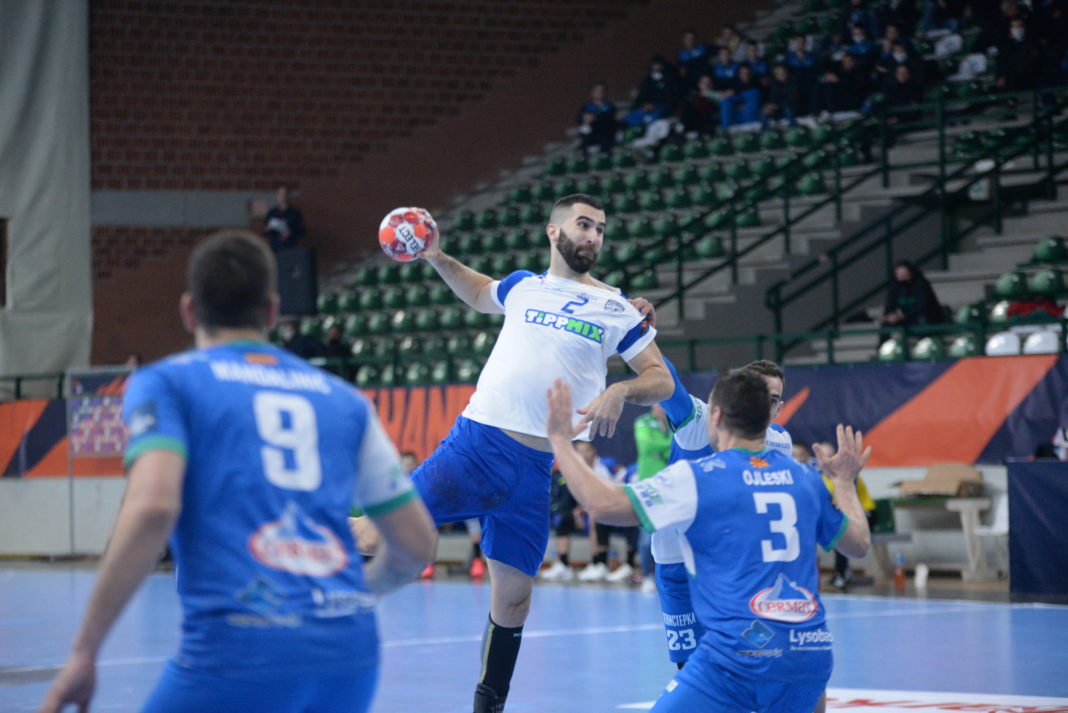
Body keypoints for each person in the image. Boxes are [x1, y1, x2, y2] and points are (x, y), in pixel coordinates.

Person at [38, 230, 436, 713]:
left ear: (189, 310)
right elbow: (417, 545)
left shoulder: (168, 383)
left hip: (240, 645)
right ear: (272, 311)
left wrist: (85, 650)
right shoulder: (345, 400)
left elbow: (153, 508)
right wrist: (357, 597)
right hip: (349, 655)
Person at [352, 193, 673, 713]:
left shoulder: (617, 307)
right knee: (372, 536)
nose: (593, 235)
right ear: (554, 231)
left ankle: (489, 705)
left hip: (535, 469)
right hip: (477, 448)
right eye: (584, 224)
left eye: (600, 228)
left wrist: (621, 390)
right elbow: (480, 292)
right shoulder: (525, 286)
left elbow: (660, 378)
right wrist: (436, 256)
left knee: (514, 601)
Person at [545, 372, 872, 713]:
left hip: (738, 656)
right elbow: (859, 544)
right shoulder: (805, 478)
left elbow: (603, 505)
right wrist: (844, 483)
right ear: (768, 418)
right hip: (809, 651)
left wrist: (559, 442)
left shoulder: (699, 477)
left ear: (716, 417)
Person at [652, 357, 794, 670]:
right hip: (679, 562)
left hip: (736, 566)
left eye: (771, 399)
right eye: (754, 394)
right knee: (691, 667)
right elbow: (667, 382)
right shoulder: (699, 422)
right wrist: (639, 337)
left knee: (750, 663)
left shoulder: (780, 442)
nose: (761, 406)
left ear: (779, 408)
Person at [795, 442, 878, 590]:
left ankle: (842, 575)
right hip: (835, 512)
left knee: (839, 532)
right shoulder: (816, 477)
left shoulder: (845, 475)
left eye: (830, 455)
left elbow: (846, 504)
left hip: (866, 512)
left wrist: (843, 482)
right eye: (822, 456)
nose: (826, 459)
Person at [575, 441, 640, 583]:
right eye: (579, 451)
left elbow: (625, 477)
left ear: (593, 451)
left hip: (624, 501)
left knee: (630, 521)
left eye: (586, 450)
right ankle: (600, 564)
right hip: (606, 507)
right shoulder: (580, 470)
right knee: (595, 519)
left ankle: (629, 565)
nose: (583, 454)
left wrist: (616, 498)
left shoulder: (607, 464)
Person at [880, 260, 946, 337]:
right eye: (899, 273)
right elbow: (890, 305)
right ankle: (883, 344)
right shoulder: (895, 287)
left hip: (926, 317)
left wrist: (902, 316)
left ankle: (924, 343)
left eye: (904, 273)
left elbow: (922, 307)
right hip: (906, 318)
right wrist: (887, 315)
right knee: (886, 323)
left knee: (922, 320)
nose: (901, 275)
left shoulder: (921, 285)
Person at [576, 83, 618, 154]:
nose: (599, 93)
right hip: (591, 133)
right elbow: (579, 118)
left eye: (601, 91)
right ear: (592, 93)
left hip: (604, 134)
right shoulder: (587, 106)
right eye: (597, 91)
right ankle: (584, 149)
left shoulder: (609, 106)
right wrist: (586, 118)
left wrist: (595, 118)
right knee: (585, 128)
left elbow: (608, 118)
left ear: (605, 93)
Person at [263, 185, 306, 252]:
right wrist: (268, 229)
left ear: (288, 196)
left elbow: (302, 231)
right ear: (277, 196)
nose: (282, 197)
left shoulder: (295, 213)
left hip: (290, 248)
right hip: (274, 249)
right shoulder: (272, 213)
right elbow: (264, 232)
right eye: (280, 194)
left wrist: (290, 232)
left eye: (284, 194)